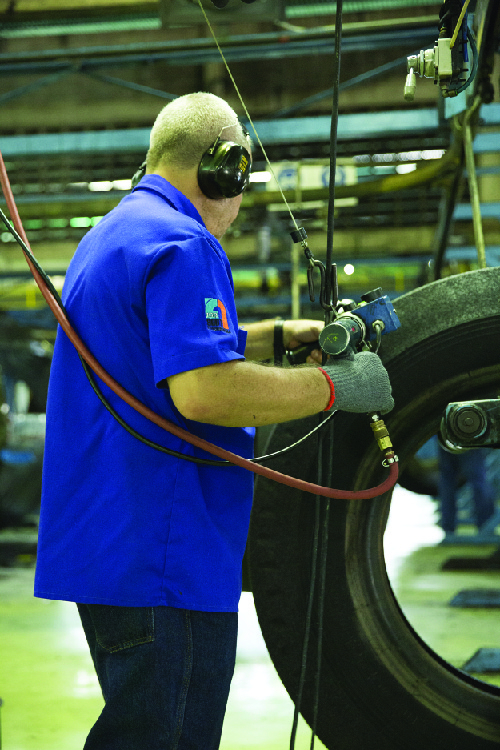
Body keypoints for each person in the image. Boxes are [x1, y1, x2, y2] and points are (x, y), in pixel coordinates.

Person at [34, 92, 394, 750]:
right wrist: (334, 385)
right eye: (241, 182)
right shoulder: (185, 242)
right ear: (222, 169)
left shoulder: (111, 235)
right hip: (168, 554)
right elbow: (203, 392)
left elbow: (157, 352)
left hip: (115, 552)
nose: (237, 207)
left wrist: (276, 335)